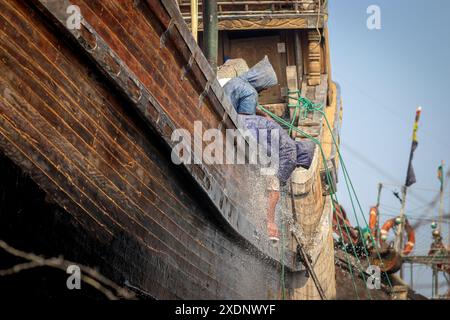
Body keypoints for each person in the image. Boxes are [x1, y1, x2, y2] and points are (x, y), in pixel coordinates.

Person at [224, 56, 315, 242]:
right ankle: (268, 226)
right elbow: (277, 184)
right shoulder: (291, 154)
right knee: (272, 185)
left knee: (265, 175)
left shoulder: (235, 81)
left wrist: (263, 115)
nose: (265, 91)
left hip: (238, 131)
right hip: (245, 138)